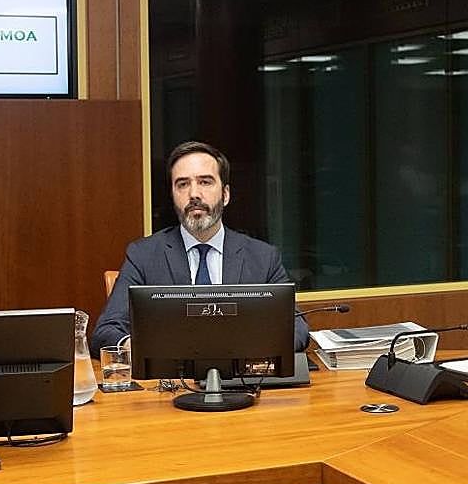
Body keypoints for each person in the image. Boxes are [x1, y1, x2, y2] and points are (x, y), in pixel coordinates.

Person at [92, 140, 309, 355]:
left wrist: (246, 350)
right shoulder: (144, 256)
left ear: (225, 195)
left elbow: (297, 328)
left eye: (205, 182)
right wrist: (143, 349)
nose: (194, 194)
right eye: (183, 184)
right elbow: (106, 331)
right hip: (171, 383)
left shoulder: (263, 258)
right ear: (173, 195)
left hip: (242, 380)